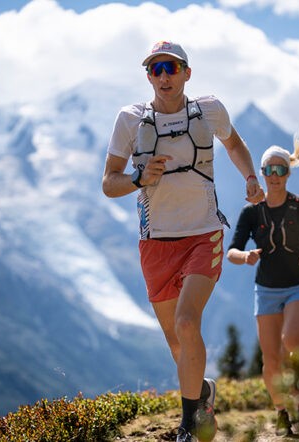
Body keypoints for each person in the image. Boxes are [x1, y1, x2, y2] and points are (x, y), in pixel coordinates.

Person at [101, 40, 265, 442]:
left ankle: (188, 426)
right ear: (147, 76)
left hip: (203, 233)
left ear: (187, 73)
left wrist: (249, 177)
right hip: (155, 240)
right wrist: (140, 179)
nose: (163, 76)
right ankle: (203, 394)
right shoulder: (130, 119)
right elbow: (109, 183)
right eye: (155, 69)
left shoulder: (209, 110)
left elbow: (235, 144)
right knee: (179, 345)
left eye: (171, 67)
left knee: (187, 322)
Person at [226, 131, 299, 436]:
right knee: (271, 359)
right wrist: (246, 256)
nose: (275, 176)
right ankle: (282, 412)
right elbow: (231, 252)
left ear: (288, 172)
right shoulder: (251, 213)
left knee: (292, 342)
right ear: (261, 173)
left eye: (281, 169)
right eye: (270, 170)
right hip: (266, 290)